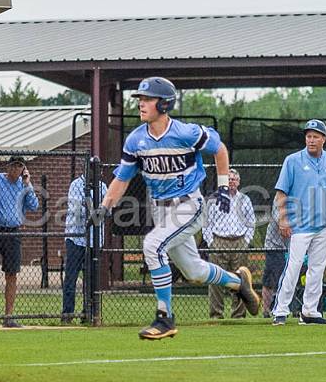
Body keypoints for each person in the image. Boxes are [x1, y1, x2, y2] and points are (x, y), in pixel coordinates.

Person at [97, 77, 258, 340]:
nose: (141, 104)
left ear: (164, 104)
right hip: (161, 210)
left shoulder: (186, 133)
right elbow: (122, 179)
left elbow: (220, 150)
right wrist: (104, 207)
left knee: (152, 245)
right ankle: (239, 282)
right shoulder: (136, 140)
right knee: (194, 271)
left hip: (188, 205)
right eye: (140, 99)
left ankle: (165, 318)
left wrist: (223, 188)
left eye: (147, 99)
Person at [270, 119, 326, 326]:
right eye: (308, 136)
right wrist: (284, 220)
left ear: (324, 139)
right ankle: (280, 310)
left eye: (315, 136)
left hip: (324, 224)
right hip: (299, 225)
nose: (311, 140)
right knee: (294, 267)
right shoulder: (292, 160)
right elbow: (281, 193)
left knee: (317, 268)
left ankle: (309, 312)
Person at [0, 155, 40, 328]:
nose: (16, 169)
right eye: (13, 166)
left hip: (14, 232)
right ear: (8, 166)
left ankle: (8, 316)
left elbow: (34, 206)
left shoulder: (23, 185)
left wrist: (28, 184)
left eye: (19, 167)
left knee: (11, 274)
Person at [203, 168, 257, 319]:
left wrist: (246, 241)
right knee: (216, 280)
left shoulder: (245, 200)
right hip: (219, 240)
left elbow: (251, 222)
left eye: (234, 179)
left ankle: (239, 315)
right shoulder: (214, 199)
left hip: (239, 241)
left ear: (238, 182)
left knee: (242, 280)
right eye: (229, 179)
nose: (231, 182)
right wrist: (211, 242)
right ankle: (216, 314)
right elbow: (206, 222)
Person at [62, 167, 106, 324]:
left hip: (95, 239)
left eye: (100, 170)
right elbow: (76, 210)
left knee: (92, 279)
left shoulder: (102, 186)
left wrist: (93, 209)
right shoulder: (76, 184)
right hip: (76, 237)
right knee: (71, 277)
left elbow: (107, 210)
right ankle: (67, 314)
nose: (99, 174)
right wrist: (95, 209)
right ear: (87, 171)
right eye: (96, 171)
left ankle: (89, 313)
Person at [261, 219, 288, 316]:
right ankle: (266, 310)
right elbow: (279, 220)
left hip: (289, 248)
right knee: (270, 280)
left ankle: (285, 308)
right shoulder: (279, 204)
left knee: (287, 279)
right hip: (274, 247)